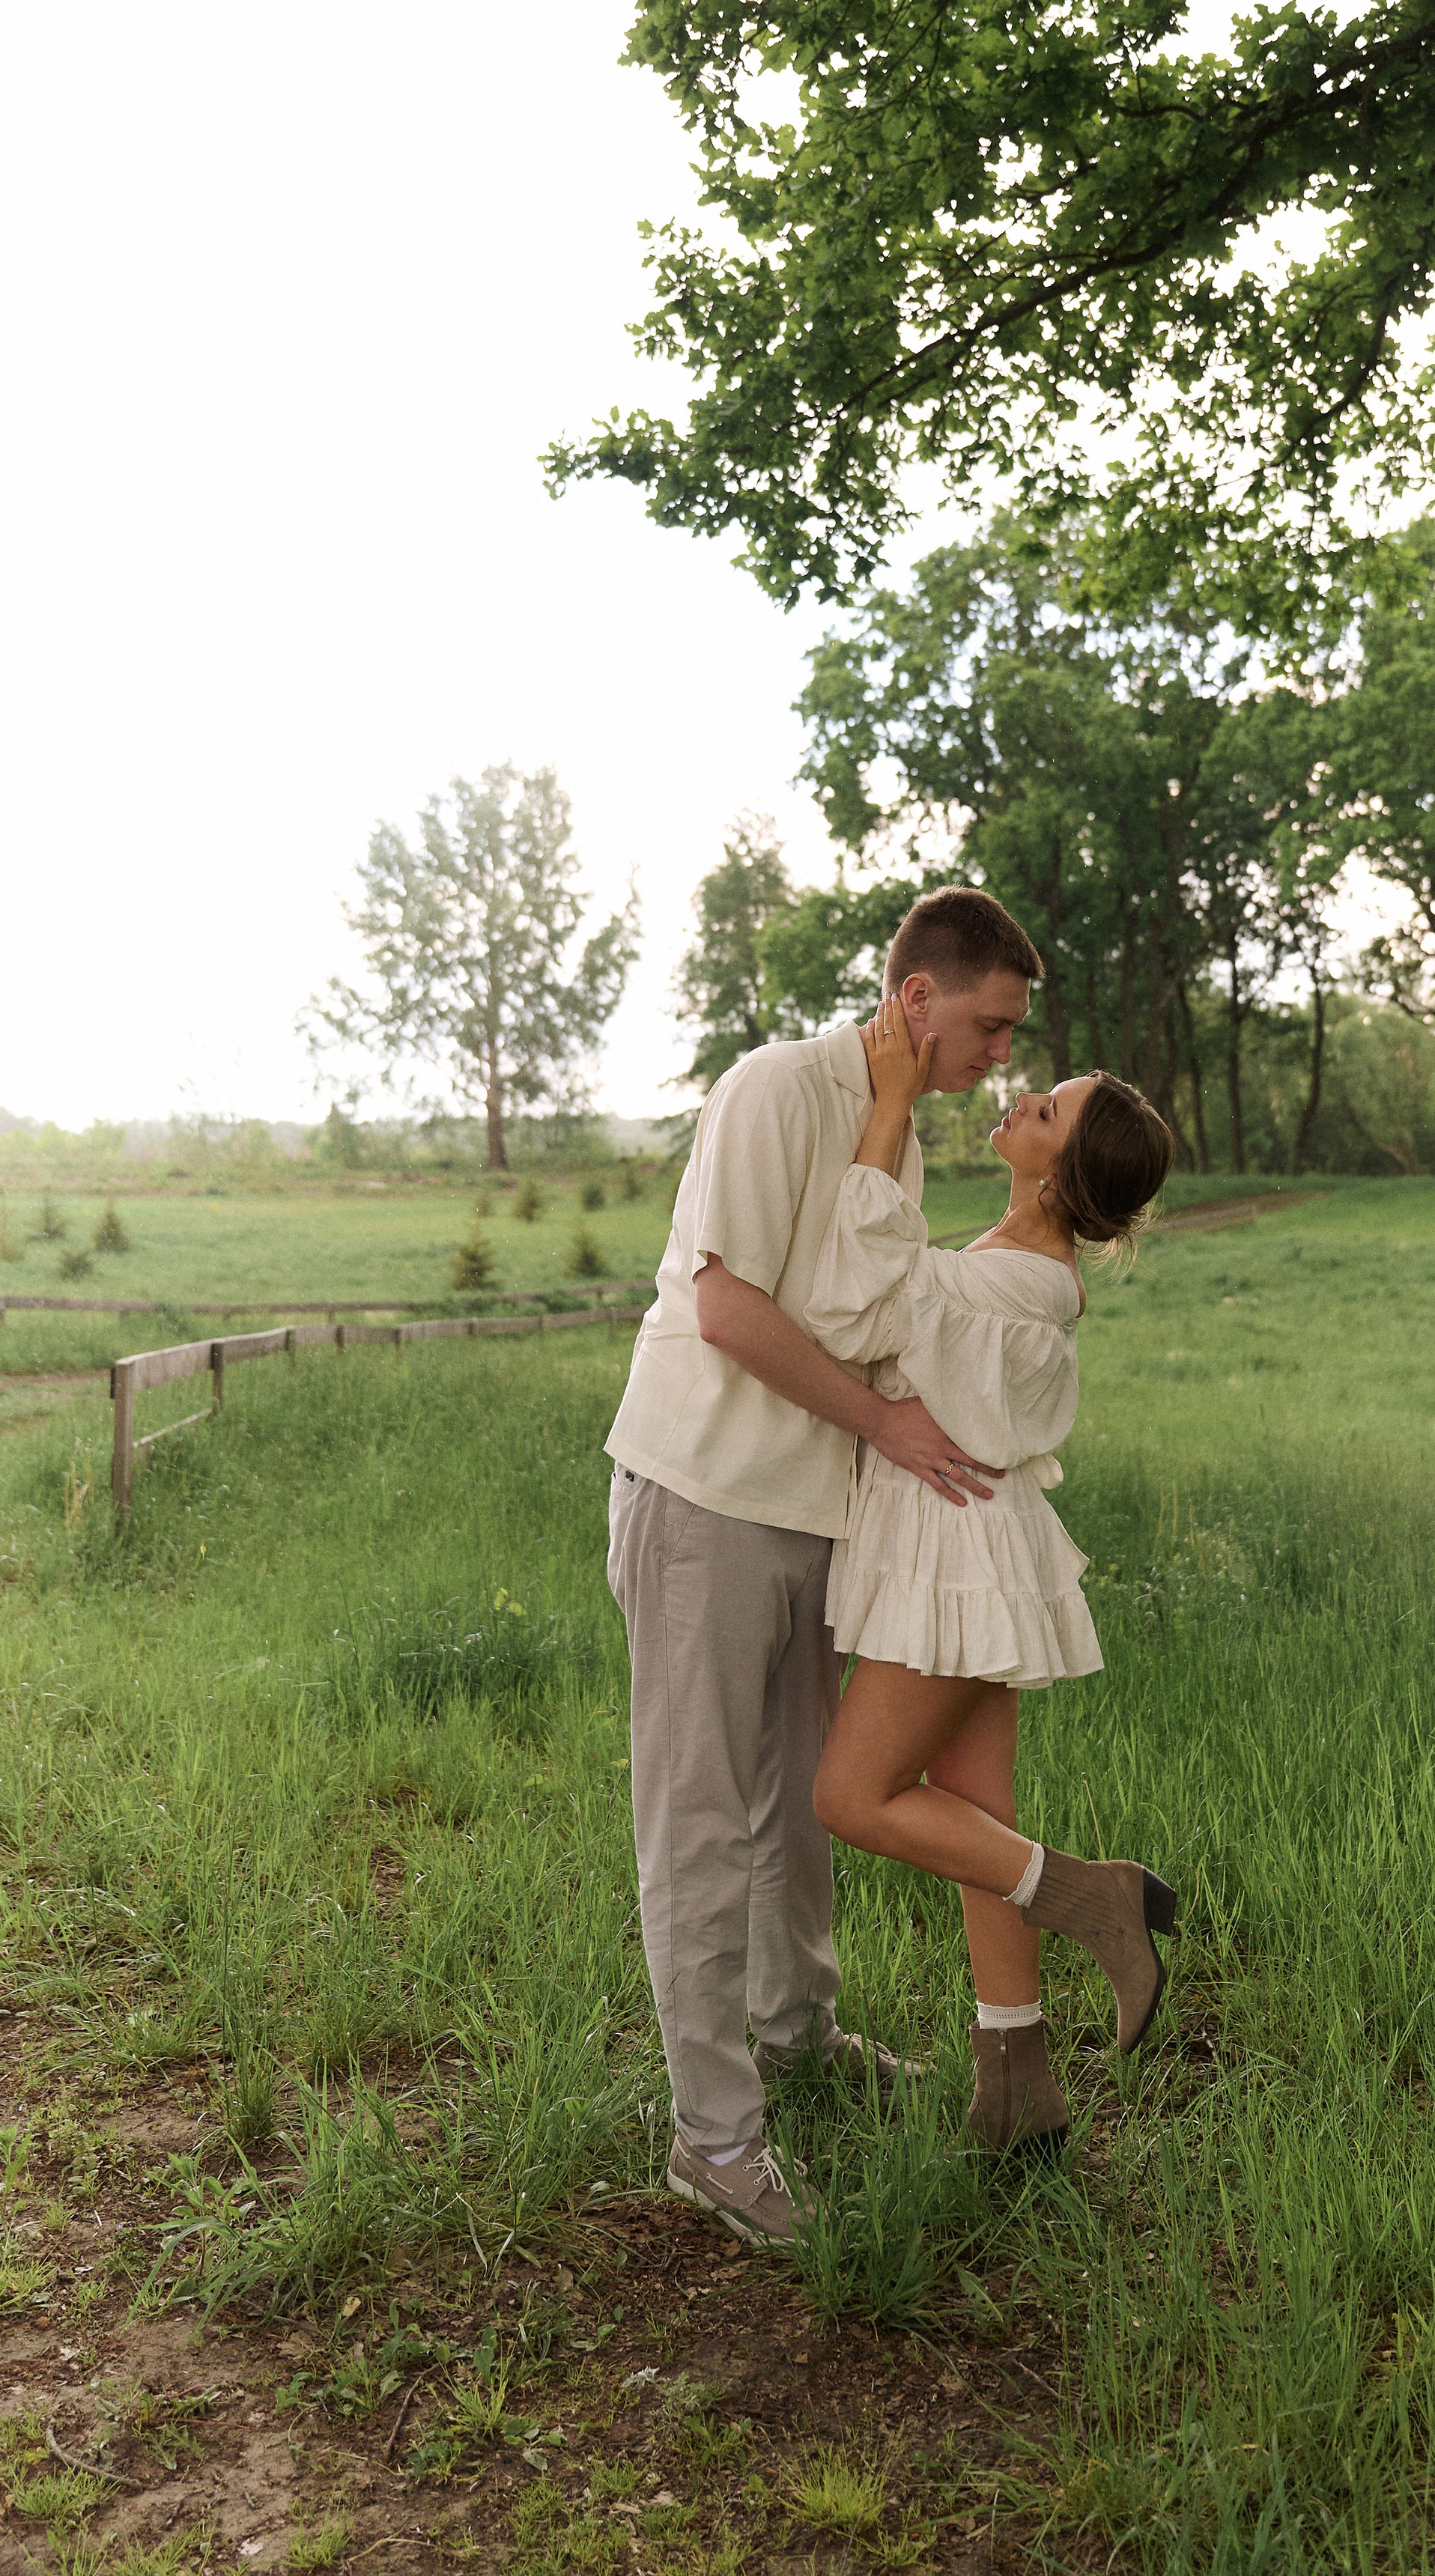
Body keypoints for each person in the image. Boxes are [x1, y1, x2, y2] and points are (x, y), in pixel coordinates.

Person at [604, 887, 1044, 2250]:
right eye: (991, 1025)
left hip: (812, 1515)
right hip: (703, 1498)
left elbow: (874, 1307)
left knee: (796, 1809)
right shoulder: (776, 1089)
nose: (1002, 1054)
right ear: (918, 997)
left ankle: (799, 2037)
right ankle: (713, 2137)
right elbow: (728, 1309)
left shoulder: (892, 1129)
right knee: (700, 1821)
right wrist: (887, 1426)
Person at [807, 995, 1178, 2159]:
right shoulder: (1009, 1259)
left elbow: (867, 1284)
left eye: (1048, 1108)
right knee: (974, 1819)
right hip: (963, 1540)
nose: (1022, 1096)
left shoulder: (1027, 1282)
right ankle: (1019, 2094)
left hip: (955, 1549)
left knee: (851, 1798)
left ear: (1061, 1171)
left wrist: (890, 1106)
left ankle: (1094, 1897)